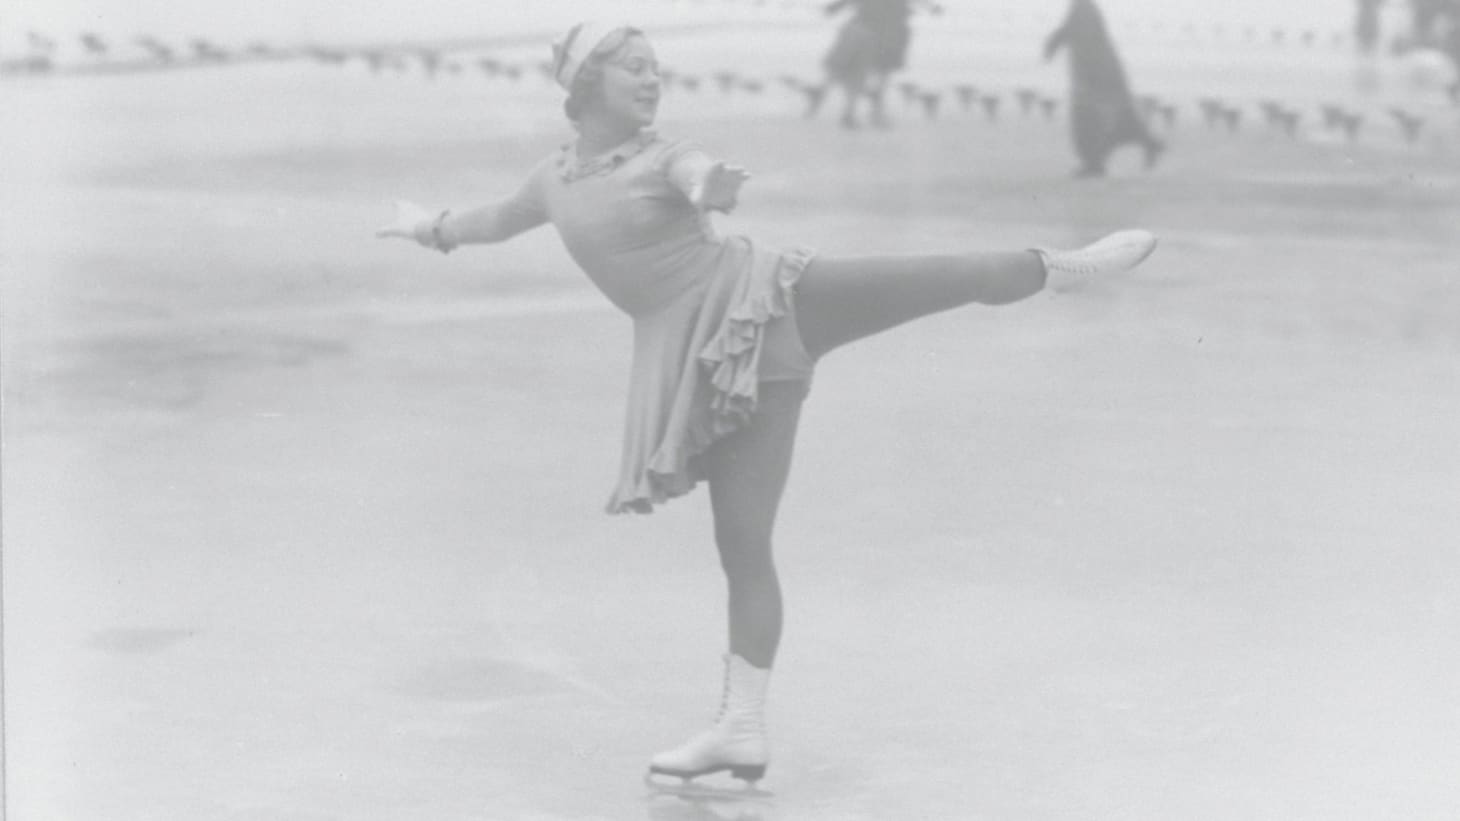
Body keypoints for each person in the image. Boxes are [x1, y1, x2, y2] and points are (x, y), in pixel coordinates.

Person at [376, 21, 1158, 789]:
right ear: (587, 84)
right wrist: (428, 228)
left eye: (656, 65)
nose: (652, 77)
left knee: (933, 277)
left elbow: (695, 173)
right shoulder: (554, 178)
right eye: (634, 66)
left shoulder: (662, 155)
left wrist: (708, 186)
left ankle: (1058, 268)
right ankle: (741, 728)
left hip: (766, 302)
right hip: (709, 362)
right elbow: (494, 220)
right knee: (742, 543)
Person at [1044, 0, 1165, 177]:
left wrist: (1054, 44)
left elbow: (1078, 32)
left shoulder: (1083, 8)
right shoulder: (1085, 9)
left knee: (1091, 119)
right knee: (1120, 120)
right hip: (1102, 77)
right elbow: (1073, 30)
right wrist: (1055, 43)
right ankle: (1146, 144)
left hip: (1095, 79)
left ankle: (1094, 163)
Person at [808, 0, 932, 128]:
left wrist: (834, 8)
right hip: (881, 32)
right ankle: (864, 112)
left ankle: (835, 102)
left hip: (872, 30)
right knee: (871, 73)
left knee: (851, 71)